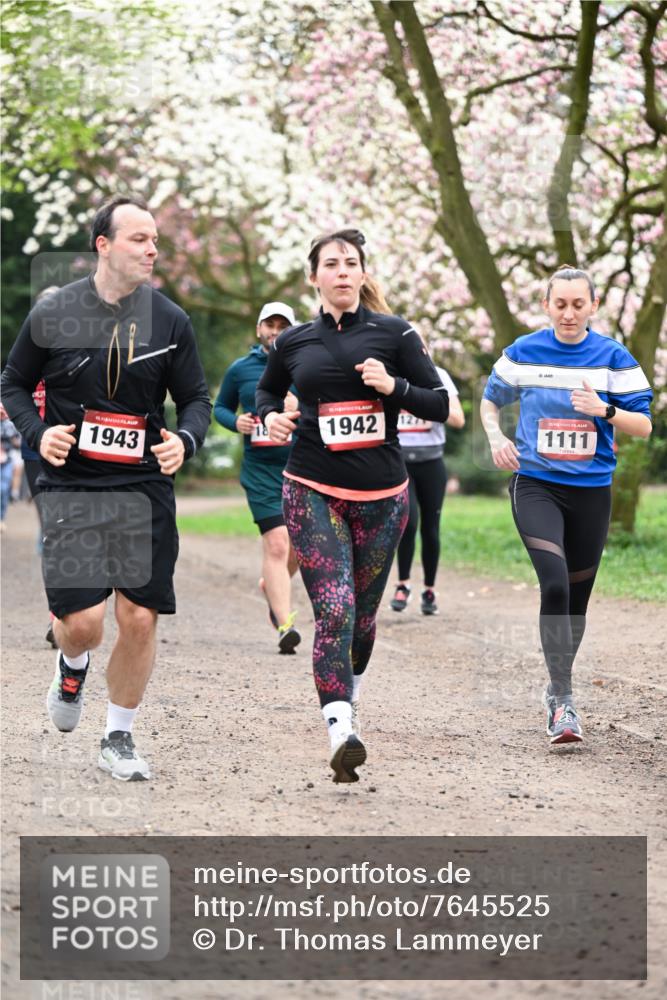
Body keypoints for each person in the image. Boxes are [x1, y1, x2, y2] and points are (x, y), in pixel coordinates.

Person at [1, 193, 211, 780]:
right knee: (85, 624)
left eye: (155, 241)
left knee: (140, 617)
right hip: (71, 484)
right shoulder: (54, 312)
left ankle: (118, 736)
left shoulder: (171, 320)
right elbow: (14, 383)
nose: (152, 249)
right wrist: (39, 433)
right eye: (140, 239)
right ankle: (73, 664)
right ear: (104, 245)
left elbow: (196, 399)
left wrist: (185, 441)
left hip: (144, 485)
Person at [256, 228, 449, 782]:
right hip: (312, 489)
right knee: (334, 610)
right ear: (313, 277)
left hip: (383, 499)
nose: (342, 272)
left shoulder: (396, 334)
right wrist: (272, 416)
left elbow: (436, 403)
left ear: (363, 275)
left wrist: (393, 387)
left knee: (362, 619)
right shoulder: (292, 342)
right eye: (331, 264)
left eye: (352, 263)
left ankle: (349, 698)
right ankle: (340, 729)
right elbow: (268, 394)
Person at [481, 264, 652, 745]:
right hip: (536, 484)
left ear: (593, 306)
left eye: (579, 304)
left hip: (592, 493)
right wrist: (494, 435)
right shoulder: (523, 353)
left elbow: (645, 425)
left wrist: (606, 411)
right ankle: (562, 699)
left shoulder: (613, 359)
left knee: (576, 601)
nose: (569, 312)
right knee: (554, 584)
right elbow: (490, 400)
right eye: (561, 304)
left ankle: (558, 687)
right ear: (546, 305)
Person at [214, 301, 301, 654]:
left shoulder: (306, 364)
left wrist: (301, 407)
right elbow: (220, 406)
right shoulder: (240, 370)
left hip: (302, 465)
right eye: (270, 324)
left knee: (299, 546)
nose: (276, 331)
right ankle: (285, 625)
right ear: (259, 329)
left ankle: (273, 584)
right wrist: (235, 421)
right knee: (277, 543)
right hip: (261, 468)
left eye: (283, 325)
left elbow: (326, 406)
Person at [390, 364, 465, 616]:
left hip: (432, 463)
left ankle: (429, 590)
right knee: (407, 522)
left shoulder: (438, 376)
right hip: (400, 463)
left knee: (431, 528)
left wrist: (426, 405)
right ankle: (402, 585)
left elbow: (458, 419)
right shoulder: (390, 374)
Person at [0, 404, 19, 531]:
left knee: (4, 489)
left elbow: (17, 442)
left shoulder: (9, 424)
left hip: (7, 459)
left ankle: (1, 518)